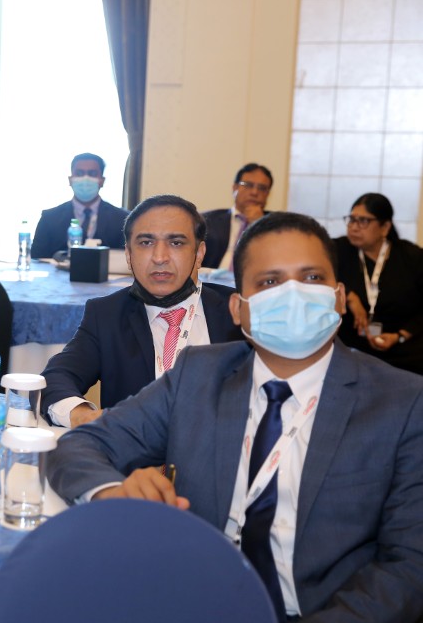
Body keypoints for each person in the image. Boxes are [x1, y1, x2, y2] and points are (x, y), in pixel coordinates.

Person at [47, 212, 423, 623]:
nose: (293, 295)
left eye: (312, 277)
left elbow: (409, 564)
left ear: (339, 298)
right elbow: (81, 445)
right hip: (197, 611)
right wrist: (113, 493)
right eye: (269, 282)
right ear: (237, 308)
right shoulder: (198, 375)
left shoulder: (403, 402)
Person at [41, 195, 240, 427]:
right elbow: (56, 379)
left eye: (176, 243)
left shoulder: (236, 310)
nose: (159, 258)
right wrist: (89, 418)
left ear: (199, 253)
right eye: (146, 243)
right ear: (128, 254)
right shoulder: (106, 315)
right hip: (135, 450)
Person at [335, 192, 423, 374]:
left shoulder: (411, 257)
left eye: (363, 221)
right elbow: (316, 276)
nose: (354, 227)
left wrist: (400, 336)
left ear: (385, 227)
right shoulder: (337, 249)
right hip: (350, 352)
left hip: (404, 353)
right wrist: (350, 296)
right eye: (351, 219)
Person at [30, 152, 128, 257]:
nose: (85, 178)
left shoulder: (122, 219)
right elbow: (36, 258)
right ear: (70, 180)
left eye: (92, 173)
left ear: (102, 181)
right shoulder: (49, 217)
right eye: (80, 173)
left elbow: (128, 259)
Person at [201, 162, 272, 269]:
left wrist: (259, 224)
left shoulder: (277, 226)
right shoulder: (207, 220)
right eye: (248, 185)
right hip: (212, 277)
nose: (254, 192)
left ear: (268, 194)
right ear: (235, 188)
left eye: (262, 188)